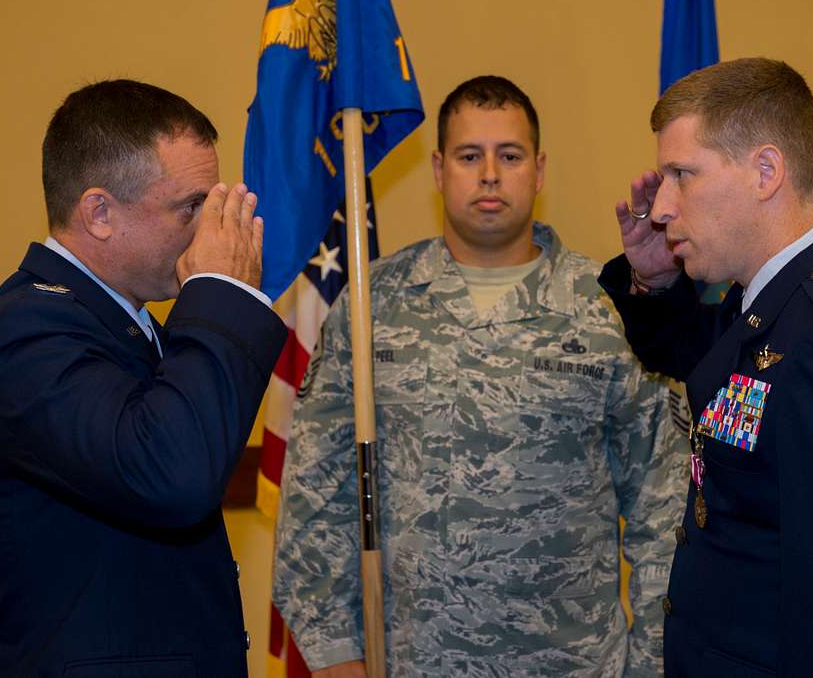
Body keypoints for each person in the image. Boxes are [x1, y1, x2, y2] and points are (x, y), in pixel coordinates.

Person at [274, 75, 688, 678]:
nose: (490, 174)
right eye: (470, 156)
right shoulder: (371, 308)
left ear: (539, 171)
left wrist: (653, 662)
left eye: (510, 155)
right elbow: (317, 494)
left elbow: (664, 506)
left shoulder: (611, 307)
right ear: (439, 170)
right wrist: (337, 657)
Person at [0, 79, 288, 677]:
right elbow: (175, 472)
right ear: (99, 213)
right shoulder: (27, 333)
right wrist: (222, 293)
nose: (210, 232)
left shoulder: (115, 322)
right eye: (189, 207)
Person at [600, 58, 813, 676]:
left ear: (765, 171)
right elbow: (699, 367)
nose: (662, 207)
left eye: (682, 174)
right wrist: (652, 278)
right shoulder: (765, 303)